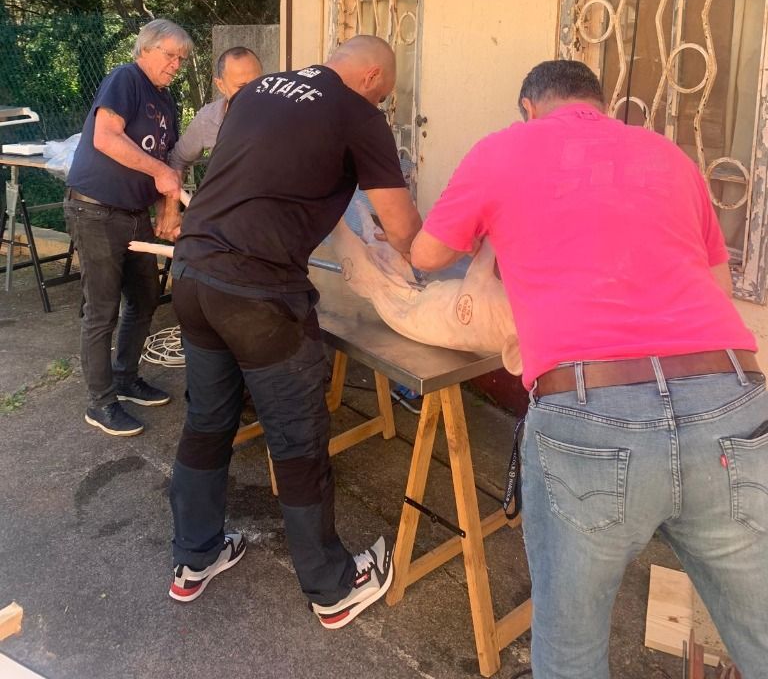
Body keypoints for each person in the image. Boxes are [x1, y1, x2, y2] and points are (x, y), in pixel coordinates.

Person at [410, 60, 767, 679]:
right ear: (600, 104)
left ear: (528, 107)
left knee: (572, 648)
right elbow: (718, 286)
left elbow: (426, 253)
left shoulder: (502, 149)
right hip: (728, 398)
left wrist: (496, 232)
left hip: (590, 411)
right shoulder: (670, 156)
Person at [168, 35, 422, 627]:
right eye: (384, 95)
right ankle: (333, 588)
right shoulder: (358, 113)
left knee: (207, 422)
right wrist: (433, 264)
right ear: (372, 78)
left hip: (192, 276)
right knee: (297, 440)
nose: (381, 105)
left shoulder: (257, 90)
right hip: (260, 296)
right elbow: (402, 225)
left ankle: (194, 557)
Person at [65, 19, 190, 438]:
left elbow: (168, 161)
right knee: (102, 310)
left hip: (135, 214)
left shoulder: (165, 100)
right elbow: (105, 138)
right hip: (95, 211)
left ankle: (125, 377)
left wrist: (169, 210)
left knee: (144, 297)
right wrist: (159, 174)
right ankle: (100, 402)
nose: (176, 65)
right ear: (146, 49)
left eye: (181, 59)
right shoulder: (126, 78)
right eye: (170, 55)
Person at [168, 46, 263, 174]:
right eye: (241, 86)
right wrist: (175, 182)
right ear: (221, 85)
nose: (253, 91)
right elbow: (178, 159)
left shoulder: (281, 112)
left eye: (258, 83)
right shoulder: (208, 118)